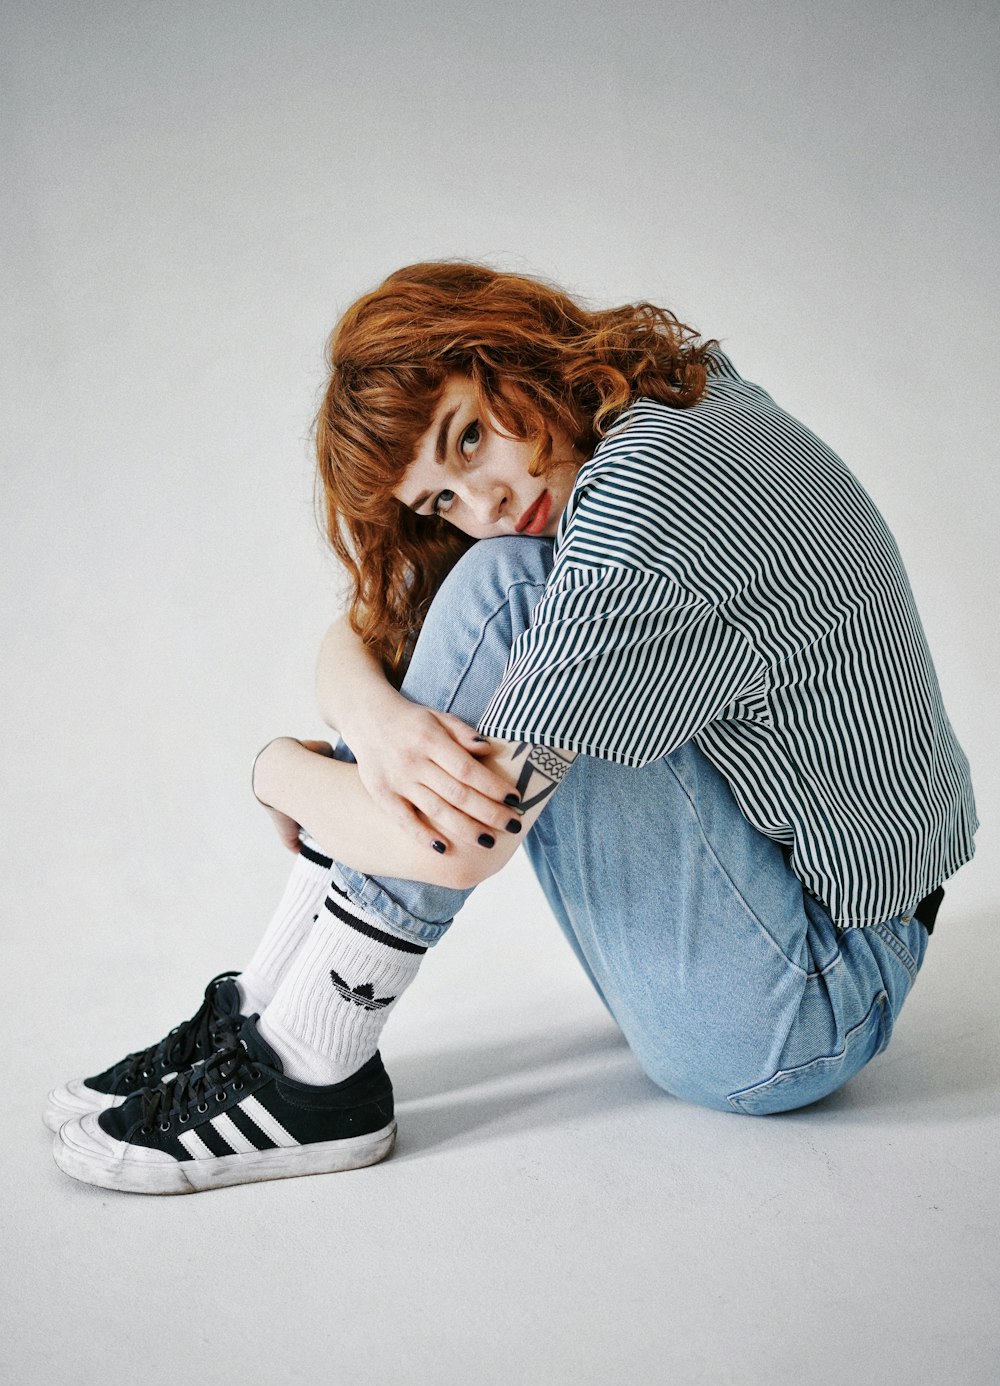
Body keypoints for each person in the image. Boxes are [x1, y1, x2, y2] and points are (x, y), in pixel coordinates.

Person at [48, 262, 978, 1194]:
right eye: (440, 501)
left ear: (510, 352)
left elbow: (460, 845)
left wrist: (274, 767)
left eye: (471, 437)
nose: (484, 503)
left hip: (806, 1006)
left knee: (503, 585)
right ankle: (266, 1017)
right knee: (495, 577)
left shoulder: (643, 508)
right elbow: (364, 632)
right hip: (831, 926)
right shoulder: (674, 403)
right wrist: (373, 719)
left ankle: (307, 1063)